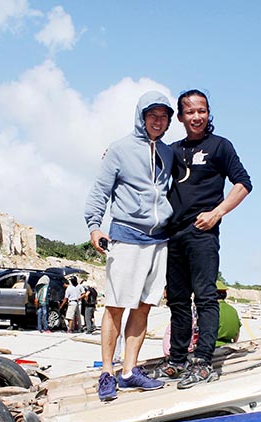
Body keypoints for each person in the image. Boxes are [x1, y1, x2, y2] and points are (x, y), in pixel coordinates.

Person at [153, 89, 252, 389]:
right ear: (180, 117)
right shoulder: (172, 150)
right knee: (178, 299)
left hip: (203, 233)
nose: (197, 116)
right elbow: (144, 163)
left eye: (202, 111)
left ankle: (203, 362)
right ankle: (177, 360)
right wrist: (113, 154)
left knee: (206, 297)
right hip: (174, 233)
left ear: (208, 113)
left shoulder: (220, 146)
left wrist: (217, 213)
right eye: (190, 112)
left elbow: (243, 183)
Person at [85, 90, 175, 401]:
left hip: (159, 240)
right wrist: (94, 226)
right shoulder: (120, 150)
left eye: (163, 116)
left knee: (143, 306)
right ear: (141, 116)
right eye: (152, 115)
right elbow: (100, 191)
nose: (157, 121)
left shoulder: (168, 153)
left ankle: (129, 371)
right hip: (126, 235)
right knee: (115, 305)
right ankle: (107, 372)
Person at [216, 281, 241, 347]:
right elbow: (237, 332)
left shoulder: (211, 310)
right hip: (229, 345)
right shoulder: (233, 310)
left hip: (213, 346)